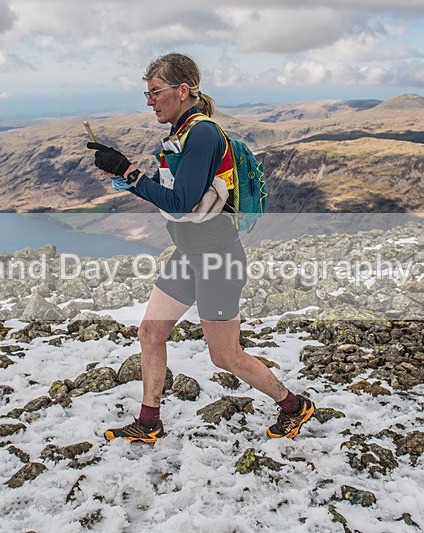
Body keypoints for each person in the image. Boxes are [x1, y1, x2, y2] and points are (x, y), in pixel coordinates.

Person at [86, 52, 315, 443]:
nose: (149, 100)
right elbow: (176, 201)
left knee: (225, 355)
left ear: (183, 90)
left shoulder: (203, 134)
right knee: (150, 334)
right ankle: (149, 421)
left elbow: (181, 203)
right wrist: (130, 179)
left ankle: (293, 406)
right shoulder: (182, 134)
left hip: (217, 259)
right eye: (147, 92)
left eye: (155, 91)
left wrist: (128, 170)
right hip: (190, 255)